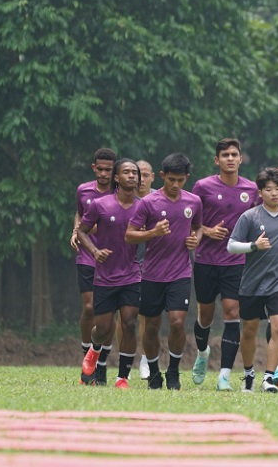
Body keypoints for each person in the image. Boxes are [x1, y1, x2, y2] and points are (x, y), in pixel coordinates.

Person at [228, 168, 278, 393]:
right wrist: (254, 246)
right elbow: (231, 245)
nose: (274, 193)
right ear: (260, 192)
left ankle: (268, 377)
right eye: (269, 189)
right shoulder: (250, 217)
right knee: (249, 331)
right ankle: (248, 374)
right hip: (252, 283)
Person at [126, 153, 203, 391]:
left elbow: (198, 228)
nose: (175, 184)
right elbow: (129, 234)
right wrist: (152, 233)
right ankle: (153, 371)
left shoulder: (194, 202)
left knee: (178, 322)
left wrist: (195, 239)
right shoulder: (149, 203)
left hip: (181, 272)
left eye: (180, 180)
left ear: (187, 178)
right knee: (151, 326)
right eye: (171, 179)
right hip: (151, 274)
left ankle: (173, 371)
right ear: (162, 176)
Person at [190, 138, 258, 391]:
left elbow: (258, 220)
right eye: (225, 155)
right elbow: (190, 220)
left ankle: (224, 376)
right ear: (216, 160)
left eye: (234, 154)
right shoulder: (202, 186)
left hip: (236, 262)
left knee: (232, 312)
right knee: (205, 316)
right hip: (206, 261)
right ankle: (202, 353)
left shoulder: (252, 189)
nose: (230, 158)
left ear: (240, 159)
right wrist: (207, 231)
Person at [78, 159, 142, 389]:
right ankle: (93, 352)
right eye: (126, 172)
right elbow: (82, 231)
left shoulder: (143, 207)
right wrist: (95, 251)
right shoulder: (100, 204)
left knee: (130, 323)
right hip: (105, 276)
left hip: (132, 274)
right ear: (116, 177)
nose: (131, 176)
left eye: (134, 173)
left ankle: (122, 377)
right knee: (103, 330)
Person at [69, 148, 116, 384]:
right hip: (87, 255)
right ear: (94, 168)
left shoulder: (119, 192)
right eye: (101, 169)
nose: (104, 173)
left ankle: (102, 362)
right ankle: (87, 357)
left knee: (108, 312)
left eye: (109, 169)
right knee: (89, 308)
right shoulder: (83, 190)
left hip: (113, 257)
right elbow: (80, 215)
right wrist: (75, 231)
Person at [134, 158, 154, 380]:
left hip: (152, 264)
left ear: (153, 177)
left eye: (145, 175)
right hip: (126, 263)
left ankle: (145, 360)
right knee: (125, 315)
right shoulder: (123, 199)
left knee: (146, 316)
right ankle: (125, 359)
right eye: (137, 175)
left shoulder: (160, 198)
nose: (141, 179)